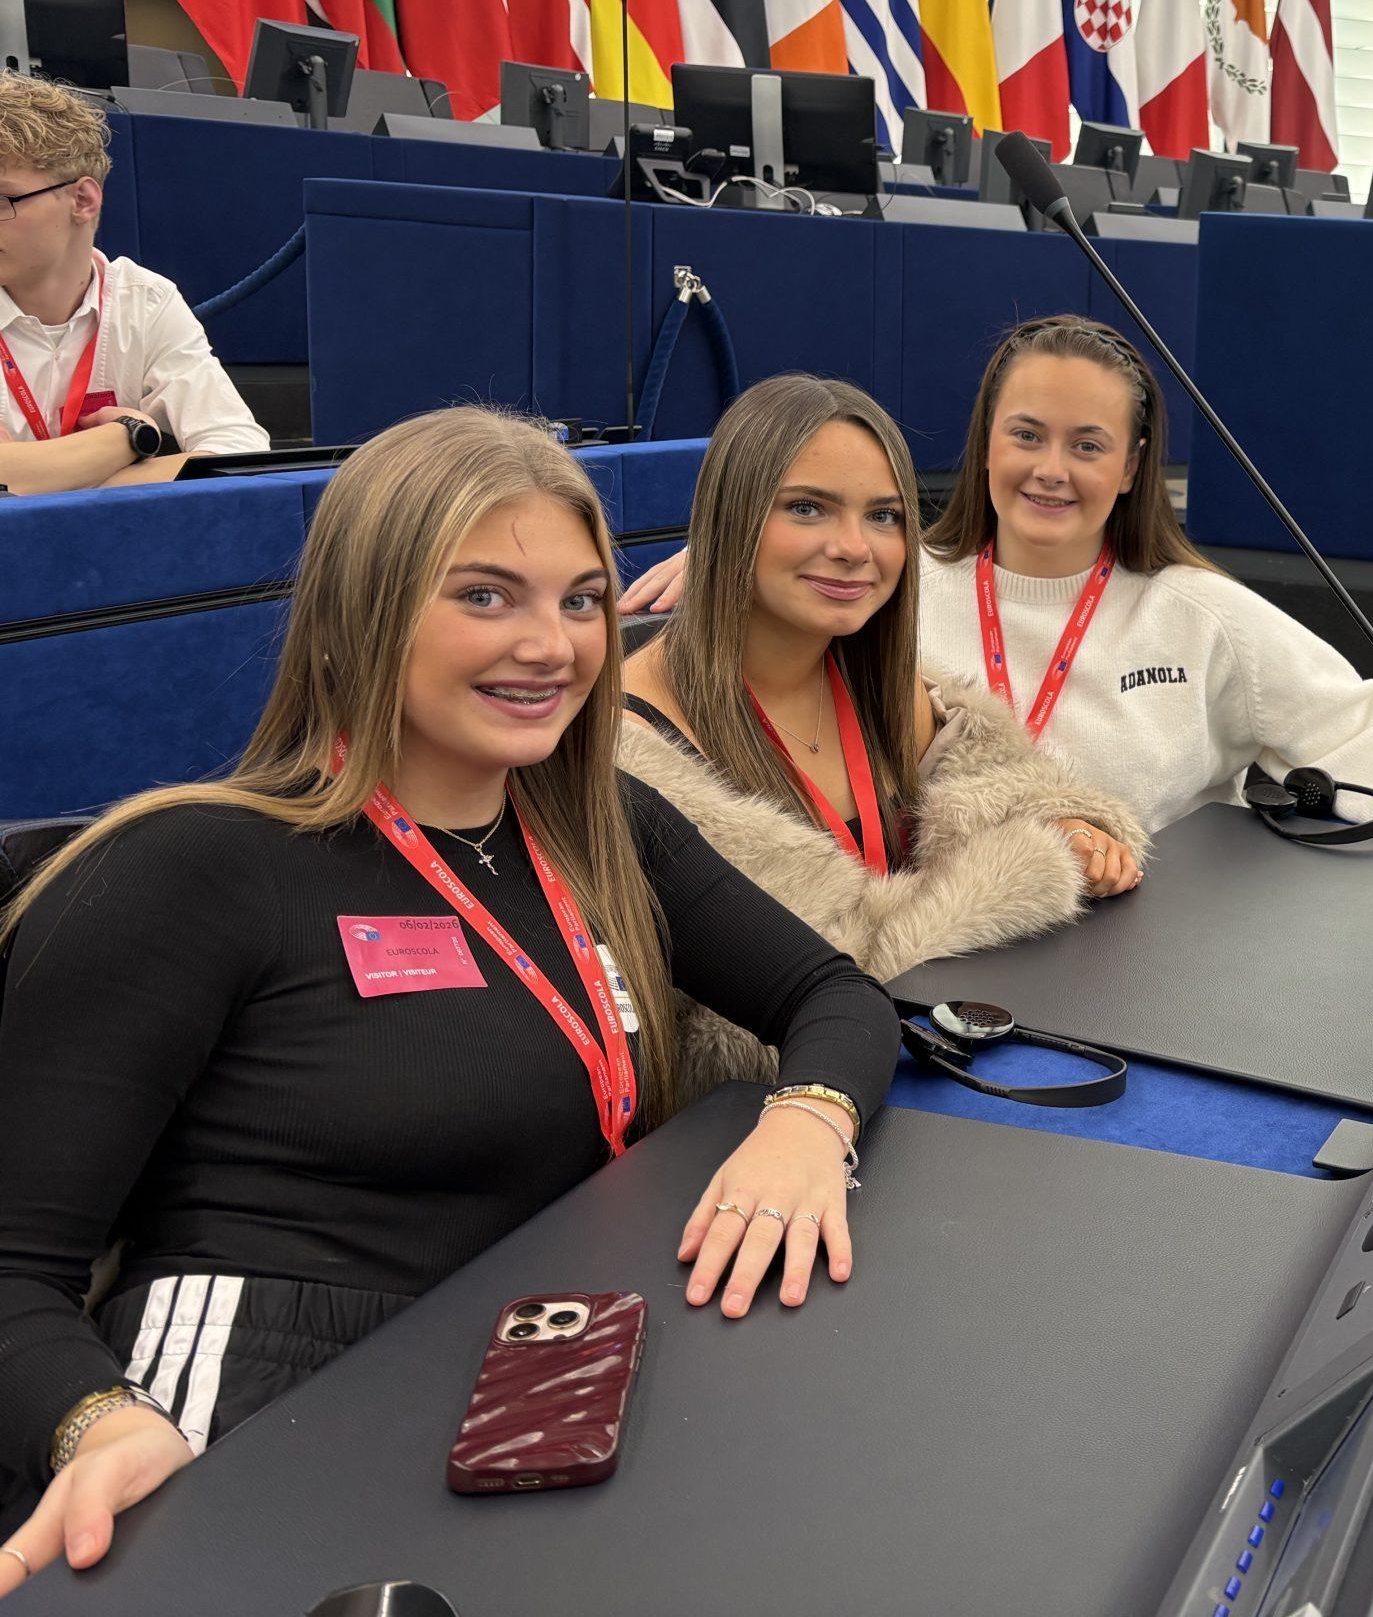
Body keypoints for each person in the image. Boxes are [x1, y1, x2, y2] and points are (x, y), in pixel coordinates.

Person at [0, 409, 897, 1593]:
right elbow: (14, 1267)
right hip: (248, 1405)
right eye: (485, 596)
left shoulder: (605, 829)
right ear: (359, 614)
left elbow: (833, 993)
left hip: (517, 1368)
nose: (551, 645)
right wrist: (97, 1421)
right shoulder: (190, 867)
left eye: (583, 600)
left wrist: (808, 1122)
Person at [626, 319, 1373, 888]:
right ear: (986, 441)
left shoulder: (1197, 613)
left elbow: (1358, 721)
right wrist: (726, 558)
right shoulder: (886, 580)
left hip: (1120, 974)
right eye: (1026, 435)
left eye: (1087, 446)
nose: (1051, 469)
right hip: (921, 950)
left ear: (1133, 467)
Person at [617, 376, 1147, 1084]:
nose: (853, 547)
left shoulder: (891, 689)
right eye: (807, 509)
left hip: (917, 1081)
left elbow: (1014, 787)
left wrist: (1066, 822)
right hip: (755, 1118)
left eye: (884, 516)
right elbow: (792, 999)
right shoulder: (631, 749)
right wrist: (1036, 863)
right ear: (730, 519)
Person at [0, 74, 268, 494]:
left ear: (83, 200)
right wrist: (127, 436)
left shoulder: (145, 300)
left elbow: (242, 453)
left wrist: (48, 477)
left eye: (3, 200)